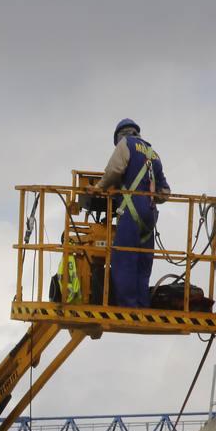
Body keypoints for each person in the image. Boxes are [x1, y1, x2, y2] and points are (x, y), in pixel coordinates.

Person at [83, 118, 170, 307]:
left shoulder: (125, 144)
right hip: (149, 213)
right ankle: (142, 304)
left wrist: (99, 187)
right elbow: (165, 193)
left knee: (124, 258)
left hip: (131, 209)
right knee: (143, 260)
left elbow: (114, 170)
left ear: (119, 136)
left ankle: (127, 306)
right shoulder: (152, 153)